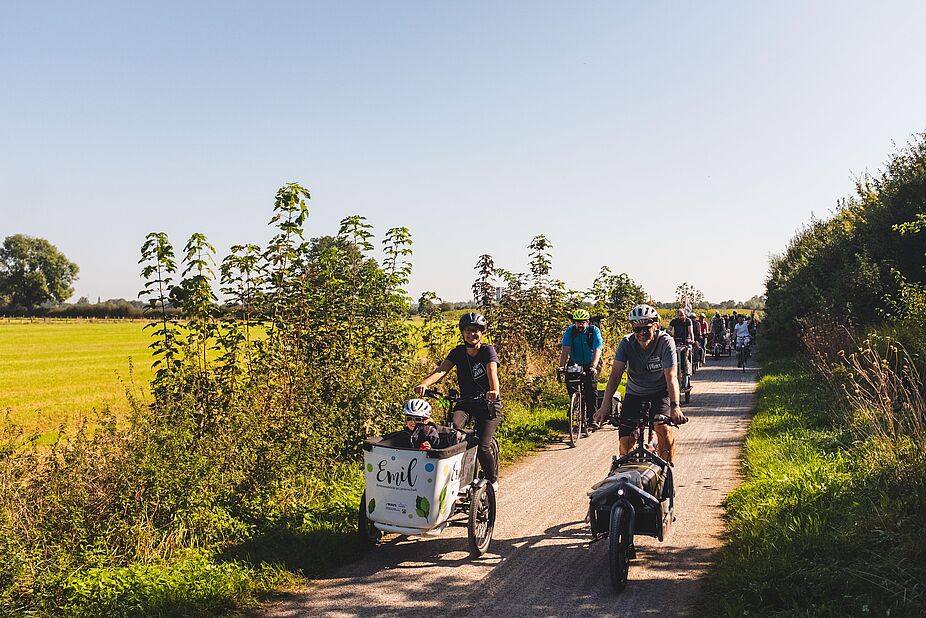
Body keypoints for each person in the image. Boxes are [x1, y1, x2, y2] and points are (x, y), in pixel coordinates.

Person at [415, 312, 501, 491]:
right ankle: (458, 476)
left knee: (483, 446)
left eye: (476, 330)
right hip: (466, 402)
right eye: (469, 330)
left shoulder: (487, 350)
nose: (472, 334)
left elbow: (492, 370)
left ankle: (492, 480)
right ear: (462, 333)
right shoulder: (458, 352)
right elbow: (441, 370)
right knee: (453, 431)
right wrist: (424, 383)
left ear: (482, 333)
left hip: (488, 404)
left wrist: (494, 390)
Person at [594, 304, 687, 463]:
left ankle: (666, 476)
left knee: (663, 430)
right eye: (637, 329)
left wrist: (675, 407)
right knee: (626, 443)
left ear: (656, 325)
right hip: (634, 394)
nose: (642, 333)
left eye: (647, 328)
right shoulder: (626, 343)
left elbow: (671, 377)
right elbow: (615, 376)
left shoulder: (665, 342)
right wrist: (605, 406)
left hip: (660, 393)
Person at [559, 308, 604, 430]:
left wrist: (594, 367)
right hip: (576, 361)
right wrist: (561, 366)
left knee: (591, 389)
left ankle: (592, 418)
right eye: (577, 322)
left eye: (582, 322)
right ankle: (575, 402)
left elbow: (597, 349)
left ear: (587, 322)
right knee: (570, 383)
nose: (580, 324)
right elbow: (566, 349)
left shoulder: (593, 331)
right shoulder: (570, 331)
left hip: (591, 361)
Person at [668, 308, 694, 377]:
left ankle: (686, 372)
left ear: (685, 314)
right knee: (672, 356)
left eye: (682, 315)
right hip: (676, 341)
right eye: (679, 315)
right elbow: (669, 329)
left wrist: (692, 340)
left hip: (686, 341)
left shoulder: (688, 321)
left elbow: (691, 331)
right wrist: (670, 334)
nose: (681, 317)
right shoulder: (674, 321)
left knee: (685, 356)